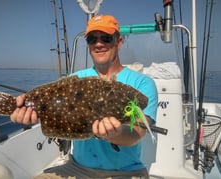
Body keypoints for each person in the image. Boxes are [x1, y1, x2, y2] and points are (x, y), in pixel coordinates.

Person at [10, 15, 158, 179]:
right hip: (76, 168)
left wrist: (115, 134)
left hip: (126, 172)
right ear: (88, 45)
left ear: (119, 42)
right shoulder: (74, 79)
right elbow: (57, 111)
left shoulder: (143, 83)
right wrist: (27, 107)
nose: (99, 44)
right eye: (92, 39)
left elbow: (138, 131)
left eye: (106, 38)